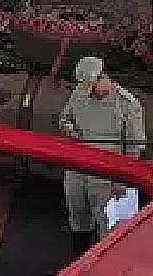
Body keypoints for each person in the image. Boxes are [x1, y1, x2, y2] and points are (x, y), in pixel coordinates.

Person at [60, 56, 146, 250]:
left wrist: (122, 180)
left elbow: (135, 146)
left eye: (92, 88)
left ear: (102, 77)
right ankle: (79, 257)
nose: (90, 94)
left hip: (107, 175)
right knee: (78, 215)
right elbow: (65, 118)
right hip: (78, 169)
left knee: (108, 225)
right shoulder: (79, 95)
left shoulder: (127, 105)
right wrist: (71, 130)